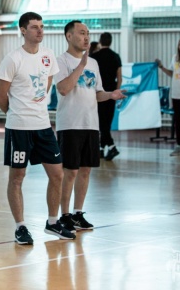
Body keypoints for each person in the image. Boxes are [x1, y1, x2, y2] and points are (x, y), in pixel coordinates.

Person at [0, 11, 76, 245]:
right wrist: (16, 114)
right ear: (23, 30)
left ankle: (52, 222)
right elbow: (0, 96)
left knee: (57, 174)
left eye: (41, 26)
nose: (40, 30)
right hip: (19, 128)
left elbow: (46, 86)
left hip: (43, 127)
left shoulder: (48, 55)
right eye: (34, 27)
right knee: (17, 177)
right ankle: (20, 227)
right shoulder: (13, 59)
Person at [55, 21, 126, 232]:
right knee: (70, 171)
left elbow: (97, 93)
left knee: (85, 171)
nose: (86, 37)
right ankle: (64, 215)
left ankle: (78, 213)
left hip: (91, 124)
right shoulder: (61, 61)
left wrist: (111, 95)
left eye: (87, 33)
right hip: (70, 124)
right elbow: (63, 88)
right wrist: (80, 66)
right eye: (81, 33)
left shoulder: (93, 63)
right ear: (69, 36)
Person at [90, 32, 123, 160]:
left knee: (100, 122)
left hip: (98, 93)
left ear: (100, 41)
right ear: (111, 41)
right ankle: (102, 148)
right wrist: (117, 91)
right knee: (106, 122)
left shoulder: (94, 57)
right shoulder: (115, 56)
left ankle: (110, 147)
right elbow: (119, 76)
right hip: (111, 93)